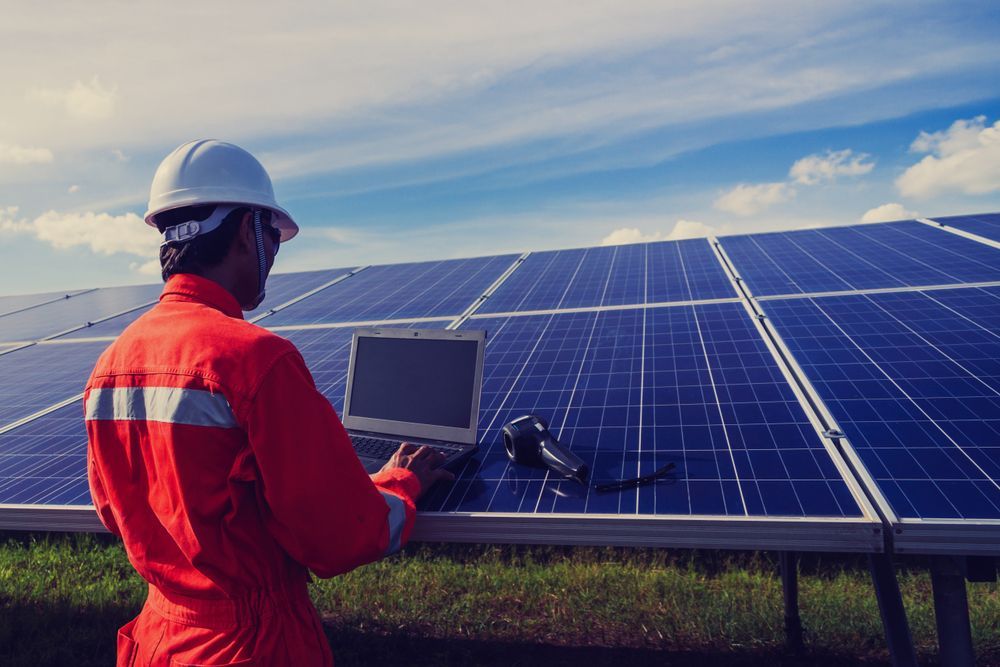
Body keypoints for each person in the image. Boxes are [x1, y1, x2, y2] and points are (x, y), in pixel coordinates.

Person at [84, 139, 454, 666]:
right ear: (244, 231)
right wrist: (400, 483)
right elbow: (339, 535)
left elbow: (115, 512)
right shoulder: (257, 360)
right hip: (250, 645)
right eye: (273, 238)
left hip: (159, 642)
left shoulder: (109, 367)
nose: (274, 256)